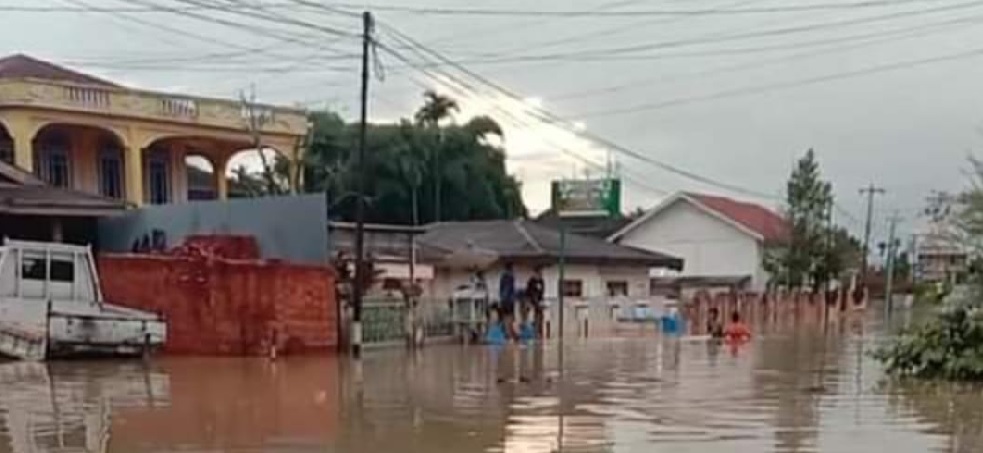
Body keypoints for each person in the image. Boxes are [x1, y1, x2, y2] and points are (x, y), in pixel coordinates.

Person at [525, 267, 545, 337]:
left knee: (540, 316)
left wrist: (540, 301)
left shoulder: (541, 281)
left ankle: (539, 332)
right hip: (531, 302)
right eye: (538, 274)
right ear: (535, 274)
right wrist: (529, 302)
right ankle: (533, 332)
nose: (540, 275)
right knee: (531, 317)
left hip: (538, 302)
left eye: (540, 274)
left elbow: (542, 292)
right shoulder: (531, 281)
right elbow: (528, 292)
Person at [499, 262, 517, 339]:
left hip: (504, 300)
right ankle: (508, 333)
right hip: (508, 300)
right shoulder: (510, 277)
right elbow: (508, 289)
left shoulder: (502, 277)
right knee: (509, 317)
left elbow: (501, 289)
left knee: (506, 317)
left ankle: (508, 333)